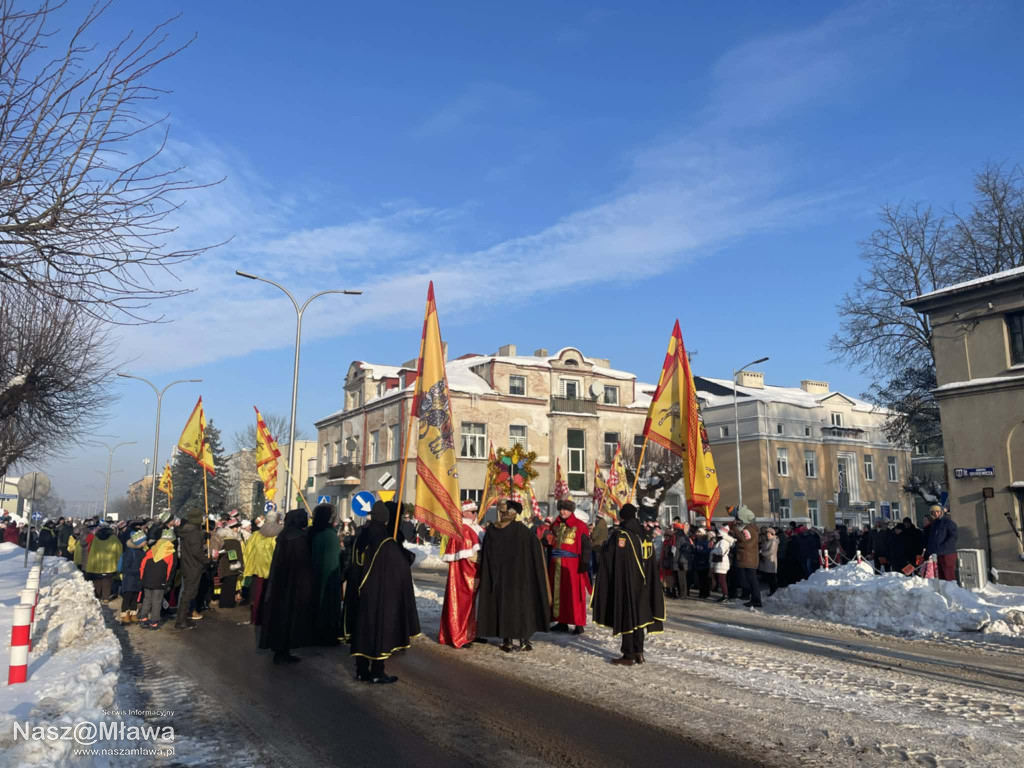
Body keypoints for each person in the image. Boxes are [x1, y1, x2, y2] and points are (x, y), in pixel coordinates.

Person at [342, 502, 420, 683]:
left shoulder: (361, 535)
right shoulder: (385, 541)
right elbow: (399, 568)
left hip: (358, 593)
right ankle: (377, 672)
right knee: (378, 630)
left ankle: (361, 670)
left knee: (361, 631)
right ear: (386, 520)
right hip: (377, 593)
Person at [593, 503, 665, 666]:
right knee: (639, 618)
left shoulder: (622, 535)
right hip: (645, 583)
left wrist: (603, 547)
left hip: (629, 582)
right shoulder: (644, 534)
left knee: (628, 617)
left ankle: (628, 654)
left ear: (622, 516)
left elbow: (610, 556)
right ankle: (639, 652)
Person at [477, 500, 550, 653]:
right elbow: (536, 554)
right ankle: (523, 640)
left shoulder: (492, 530)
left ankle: (508, 641)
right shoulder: (524, 531)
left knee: (504, 607)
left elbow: (487, 556)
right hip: (520, 579)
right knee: (520, 608)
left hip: (501, 579)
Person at [259, 509, 315, 663]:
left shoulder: (285, 535)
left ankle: (281, 650)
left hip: (280, 583)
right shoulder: (297, 538)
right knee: (287, 617)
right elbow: (301, 563)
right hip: (292, 584)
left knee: (280, 616)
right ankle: (282, 651)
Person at [438, 500, 485, 649]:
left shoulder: (475, 528)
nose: (475, 514)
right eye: (472, 512)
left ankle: (471, 632)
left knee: (472, 605)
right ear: (464, 512)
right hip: (466, 574)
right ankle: (459, 635)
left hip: (476, 572)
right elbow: (466, 555)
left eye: (475, 511)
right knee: (462, 603)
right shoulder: (463, 529)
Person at [547, 499, 591, 635]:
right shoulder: (555, 525)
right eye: (561, 509)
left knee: (574, 594)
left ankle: (578, 624)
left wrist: (584, 563)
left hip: (572, 566)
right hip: (557, 565)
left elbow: (585, 546)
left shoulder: (580, 525)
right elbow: (550, 540)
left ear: (571, 511)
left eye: (565, 509)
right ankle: (562, 622)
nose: (562, 511)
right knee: (559, 594)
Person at [309, 503, 343, 646]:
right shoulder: (330, 536)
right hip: (329, 579)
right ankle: (327, 635)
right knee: (328, 607)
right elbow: (334, 561)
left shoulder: (312, 533)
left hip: (314, 577)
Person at [174, 504, 208, 630]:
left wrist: (203, 537)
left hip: (187, 565)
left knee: (187, 594)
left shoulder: (188, 531)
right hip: (193, 566)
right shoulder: (193, 533)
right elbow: (196, 551)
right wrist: (207, 560)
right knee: (188, 594)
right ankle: (181, 621)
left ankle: (183, 618)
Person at [244, 511, 281, 625]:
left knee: (258, 596)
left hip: (257, 570)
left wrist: (248, 567)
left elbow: (247, 552)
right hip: (273, 571)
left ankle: (256, 618)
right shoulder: (279, 535)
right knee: (272, 596)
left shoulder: (256, 535)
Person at [139, 528, 176, 629]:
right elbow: (169, 569)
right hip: (159, 580)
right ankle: (154, 622)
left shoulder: (152, 549)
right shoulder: (170, 552)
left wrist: (142, 577)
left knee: (147, 599)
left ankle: (143, 618)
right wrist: (167, 582)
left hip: (147, 578)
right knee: (157, 601)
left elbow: (143, 564)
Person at [731, 506, 762, 608]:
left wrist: (734, 529)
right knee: (751, 580)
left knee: (752, 580)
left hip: (748, 558)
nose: (738, 521)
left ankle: (756, 600)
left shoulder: (748, 529)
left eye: (739, 519)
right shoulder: (751, 529)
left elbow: (744, 539)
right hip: (749, 558)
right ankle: (754, 599)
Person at [86, 521, 123, 602]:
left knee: (97, 581)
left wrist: (90, 565)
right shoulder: (114, 539)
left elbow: (92, 552)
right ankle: (106, 597)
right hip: (110, 565)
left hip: (97, 566)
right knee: (107, 582)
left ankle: (97, 596)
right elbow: (119, 551)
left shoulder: (96, 539)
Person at [117, 530, 147, 624]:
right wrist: (139, 571)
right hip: (129, 578)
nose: (145, 542)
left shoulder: (142, 551)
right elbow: (125, 568)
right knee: (127, 597)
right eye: (144, 540)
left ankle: (133, 613)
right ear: (138, 542)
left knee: (135, 597)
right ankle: (124, 614)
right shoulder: (129, 552)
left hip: (138, 578)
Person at [213, 520, 245, 608]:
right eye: (236, 527)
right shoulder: (232, 541)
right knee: (230, 587)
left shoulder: (223, 539)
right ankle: (228, 604)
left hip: (224, 566)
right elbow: (232, 553)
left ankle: (225, 603)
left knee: (226, 586)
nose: (237, 529)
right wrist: (235, 564)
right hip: (231, 567)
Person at [925, 504, 959, 581]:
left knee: (949, 576)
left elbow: (953, 537)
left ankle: (952, 592)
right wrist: (930, 550)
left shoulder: (948, 523)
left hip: (947, 553)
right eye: (933, 512)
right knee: (940, 577)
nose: (936, 514)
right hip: (937, 554)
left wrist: (943, 547)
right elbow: (932, 539)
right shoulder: (934, 524)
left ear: (941, 512)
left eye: (937, 512)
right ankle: (943, 592)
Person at [711, 526, 734, 602]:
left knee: (722, 580)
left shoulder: (723, 541)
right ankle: (725, 595)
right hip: (720, 562)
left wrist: (712, 551)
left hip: (722, 563)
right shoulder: (722, 541)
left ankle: (726, 596)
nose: (717, 533)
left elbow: (720, 551)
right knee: (721, 580)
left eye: (718, 532)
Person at [674, 521, 694, 598]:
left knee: (682, 579)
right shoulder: (684, 537)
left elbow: (679, 550)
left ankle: (683, 594)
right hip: (682, 560)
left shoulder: (681, 538)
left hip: (681, 561)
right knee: (682, 579)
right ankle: (683, 593)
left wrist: (678, 560)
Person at [759, 527, 779, 596]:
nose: (767, 535)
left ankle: (773, 591)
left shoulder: (774, 541)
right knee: (770, 578)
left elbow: (771, 551)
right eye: (767, 533)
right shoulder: (768, 540)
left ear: (772, 534)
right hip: (767, 561)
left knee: (772, 578)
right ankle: (772, 591)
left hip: (771, 561)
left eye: (768, 533)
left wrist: (762, 554)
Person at [693, 529, 712, 598]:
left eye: (699, 532)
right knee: (700, 579)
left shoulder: (706, 542)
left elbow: (707, 552)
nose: (698, 534)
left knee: (705, 579)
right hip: (698, 562)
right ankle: (701, 593)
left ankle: (706, 593)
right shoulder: (697, 541)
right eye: (697, 532)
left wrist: (698, 550)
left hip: (704, 562)